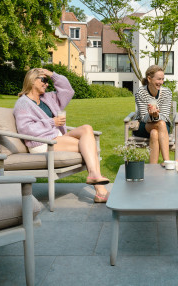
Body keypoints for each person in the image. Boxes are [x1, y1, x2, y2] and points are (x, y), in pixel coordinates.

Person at [13, 68, 110, 203]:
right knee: (88, 146)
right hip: (41, 143)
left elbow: (68, 90)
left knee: (87, 129)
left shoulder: (47, 98)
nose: (47, 84)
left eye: (47, 81)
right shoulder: (22, 103)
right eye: (44, 80)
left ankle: (95, 179)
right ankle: (100, 190)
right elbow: (26, 129)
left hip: (57, 137)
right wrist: (51, 122)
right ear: (32, 80)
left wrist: (51, 74)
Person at [133, 65, 172, 164]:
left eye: (163, 79)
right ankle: (167, 161)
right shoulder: (140, 92)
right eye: (159, 79)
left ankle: (153, 167)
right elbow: (143, 117)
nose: (161, 82)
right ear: (149, 79)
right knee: (161, 124)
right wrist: (151, 115)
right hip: (143, 126)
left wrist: (156, 116)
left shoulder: (167, 93)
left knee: (155, 132)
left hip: (162, 127)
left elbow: (165, 116)